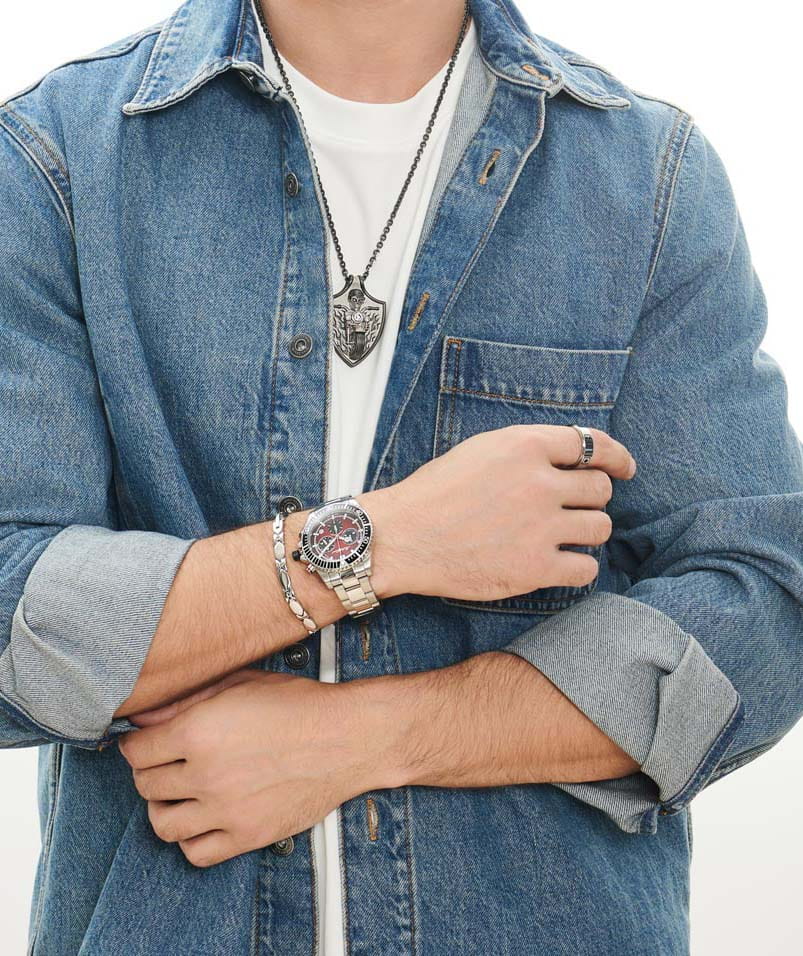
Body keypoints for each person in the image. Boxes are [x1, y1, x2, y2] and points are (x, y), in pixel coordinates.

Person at [0, 0, 801, 953]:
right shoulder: (57, 158)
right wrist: (386, 543)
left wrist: (365, 737)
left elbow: (763, 611)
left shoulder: (644, 176)